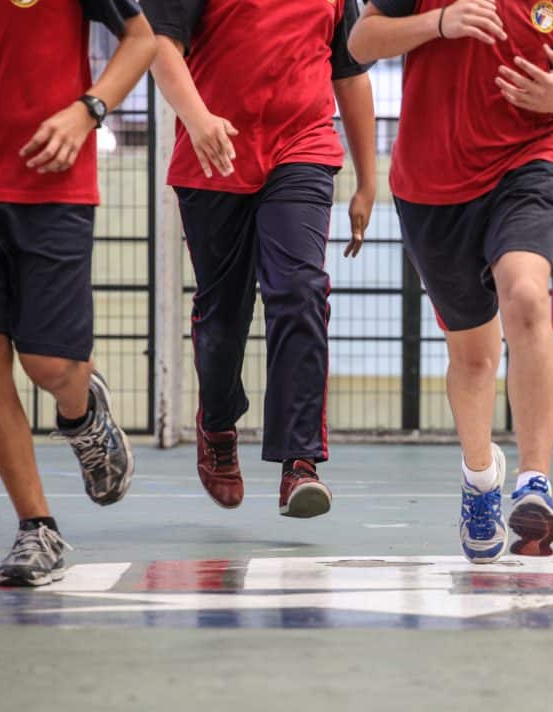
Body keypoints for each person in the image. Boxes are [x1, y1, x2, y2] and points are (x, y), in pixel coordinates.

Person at [349, 0, 553, 561]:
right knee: (474, 356)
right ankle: (480, 477)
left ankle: (535, 481)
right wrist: (439, 23)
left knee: (529, 296)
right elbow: (360, 43)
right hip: (431, 187)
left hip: (528, 161)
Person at [147, 0, 377, 516]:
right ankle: (218, 423)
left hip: (302, 149)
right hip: (214, 151)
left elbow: (351, 73)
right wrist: (197, 118)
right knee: (224, 313)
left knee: (300, 290)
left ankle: (299, 463)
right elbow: (161, 45)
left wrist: (367, 180)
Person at [0, 1, 156, 586]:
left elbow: (141, 39)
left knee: (50, 364)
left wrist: (89, 109)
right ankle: (36, 528)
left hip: (53, 187)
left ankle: (83, 414)